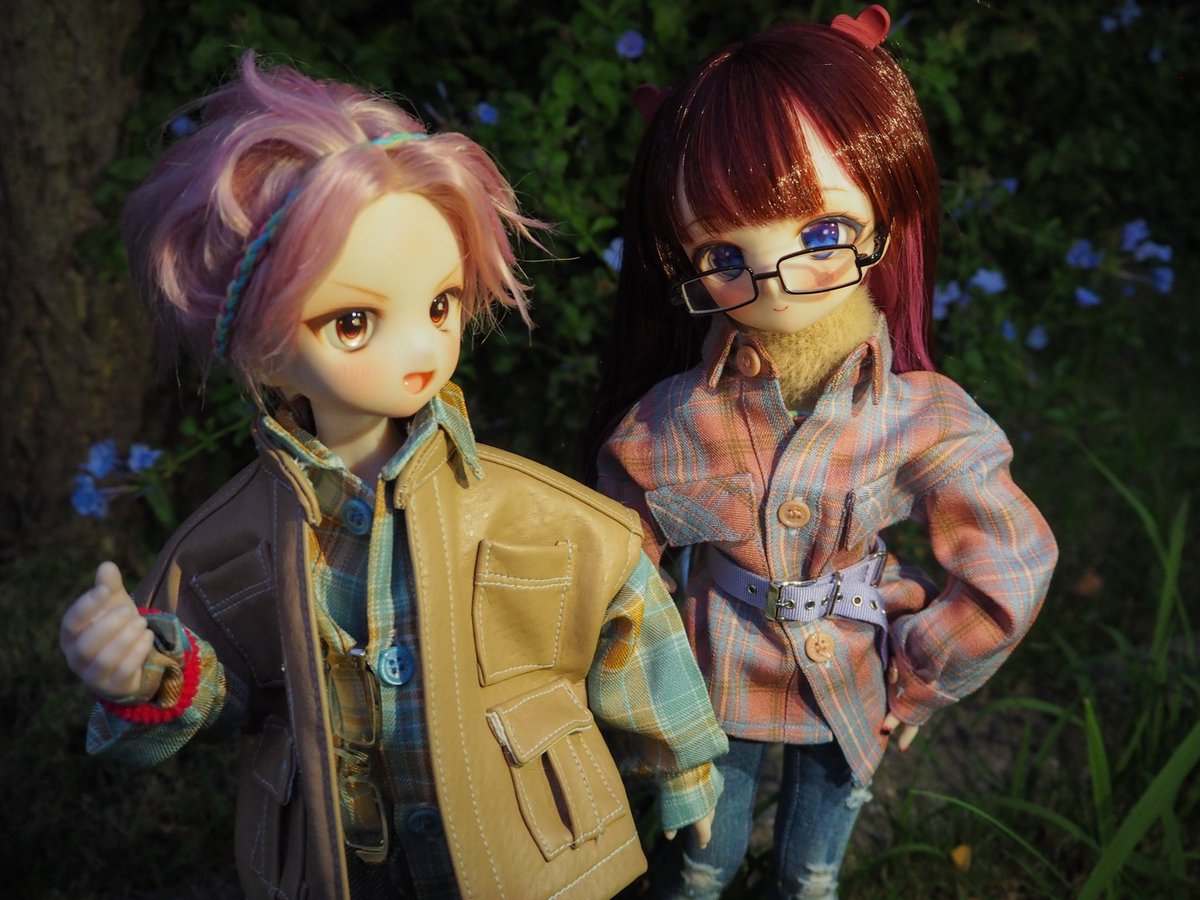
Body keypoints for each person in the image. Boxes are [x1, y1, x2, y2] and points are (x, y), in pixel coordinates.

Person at [59, 52, 727, 900]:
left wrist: (681, 764)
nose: (420, 347)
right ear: (258, 344)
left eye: (440, 305)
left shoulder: (533, 511)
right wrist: (144, 673)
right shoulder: (225, 545)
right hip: (342, 864)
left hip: (521, 852)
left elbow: (627, 613)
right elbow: (223, 693)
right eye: (352, 321)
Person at [589, 6, 1058, 897]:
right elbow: (615, 569)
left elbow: (1012, 555)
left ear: (886, 209)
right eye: (723, 253)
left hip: (850, 683)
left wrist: (925, 672)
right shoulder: (673, 417)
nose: (774, 280)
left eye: (818, 234)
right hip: (714, 686)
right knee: (699, 867)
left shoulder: (919, 414)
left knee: (809, 874)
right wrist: (652, 706)